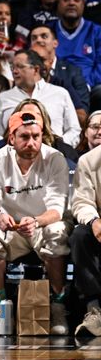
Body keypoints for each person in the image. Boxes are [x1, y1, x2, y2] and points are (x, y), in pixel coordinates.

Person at [0, 111, 70, 336]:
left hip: (42, 224)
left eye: (36, 136)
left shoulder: (55, 158)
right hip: (12, 228)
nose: (31, 143)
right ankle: (0, 306)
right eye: (24, 137)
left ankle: (57, 304)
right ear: (11, 138)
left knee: (57, 231)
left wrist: (36, 221)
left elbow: (57, 209)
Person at [0, 50, 80, 147]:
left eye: (20, 67)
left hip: (55, 155)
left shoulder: (60, 93)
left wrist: (58, 146)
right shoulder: (4, 97)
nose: (14, 71)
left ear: (36, 69)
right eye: (13, 67)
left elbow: (74, 130)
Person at [29, 23, 89, 125]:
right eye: (34, 38)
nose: (38, 40)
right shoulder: (24, 75)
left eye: (44, 36)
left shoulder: (73, 71)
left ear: (55, 43)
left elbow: (83, 112)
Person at [70, 140, 101, 336]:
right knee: (79, 235)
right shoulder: (89, 160)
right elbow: (81, 201)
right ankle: (94, 308)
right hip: (100, 222)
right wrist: (95, 221)